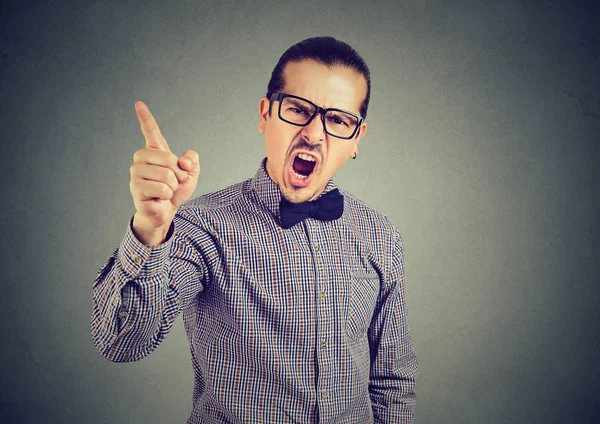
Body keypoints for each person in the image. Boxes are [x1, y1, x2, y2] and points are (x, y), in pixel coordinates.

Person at [91, 36, 418, 423]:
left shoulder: (380, 235)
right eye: (298, 109)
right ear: (265, 115)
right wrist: (150, 227)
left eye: (338, 120)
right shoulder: (203, 225)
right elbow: (120, 342)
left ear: (356, 141)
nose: (314, 134)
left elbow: (392, 379)